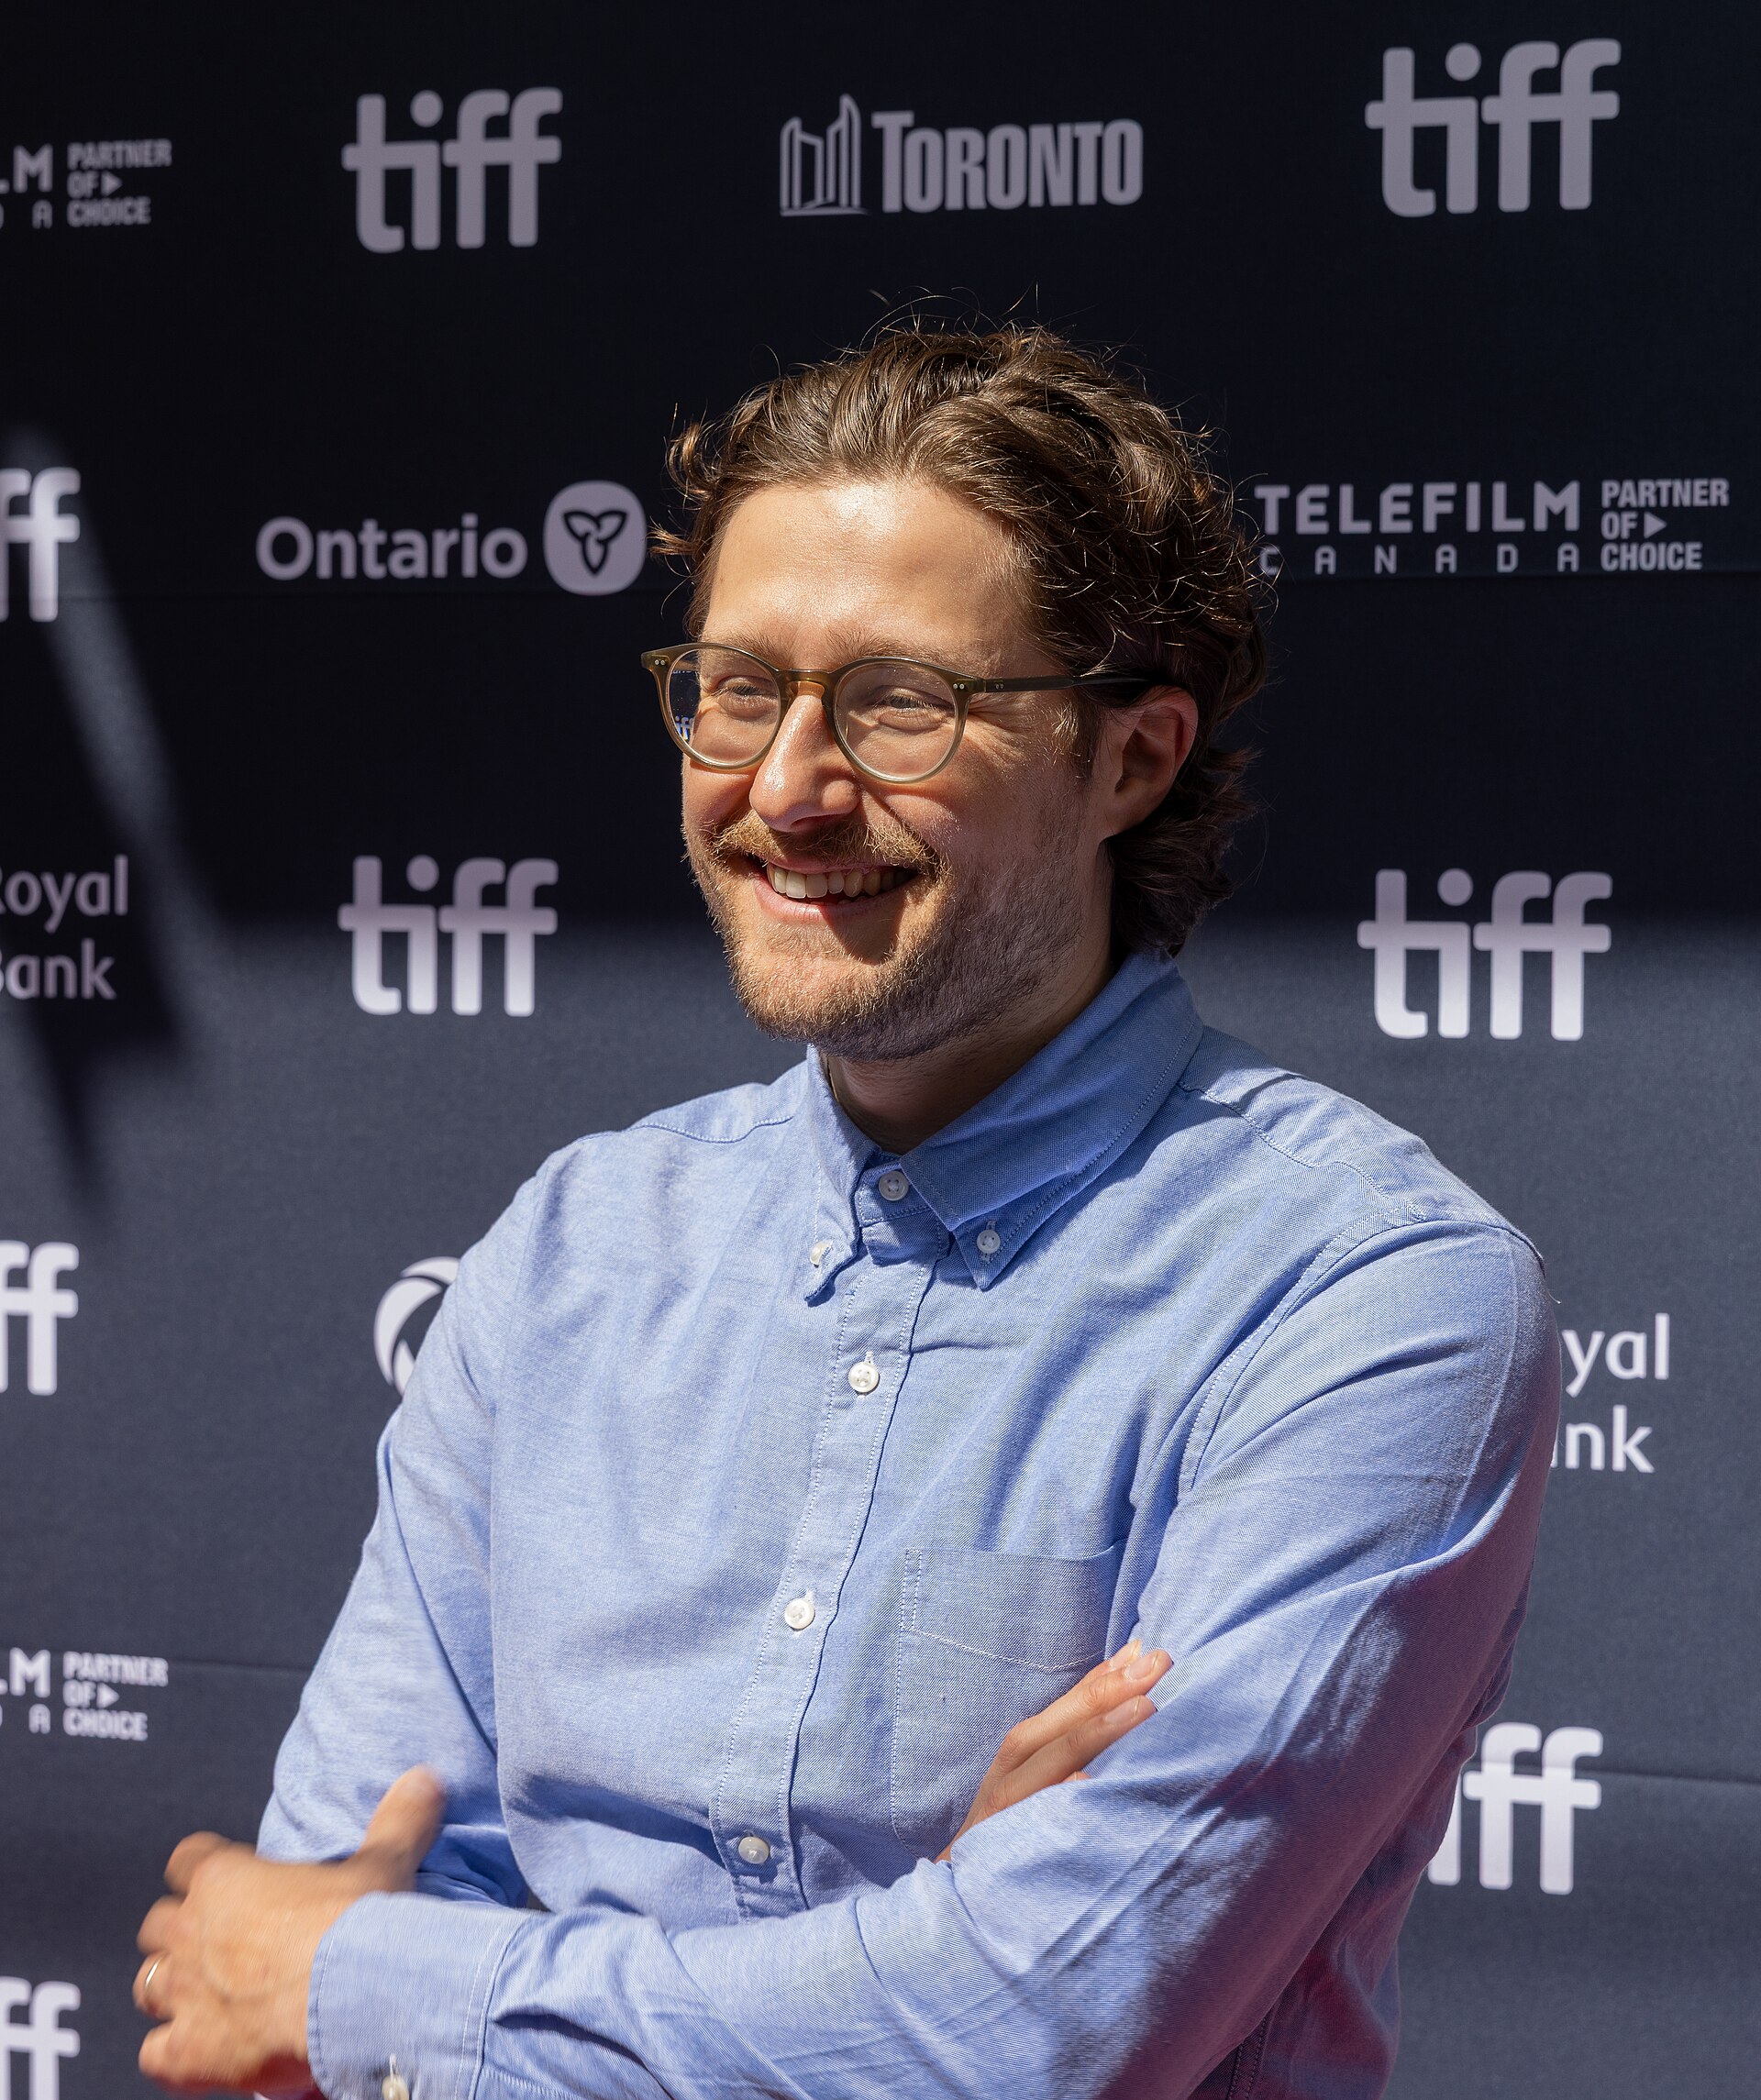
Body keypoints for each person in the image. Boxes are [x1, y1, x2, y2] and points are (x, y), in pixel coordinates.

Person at [133, 326, 1558, 2100]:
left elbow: (1027, 2035)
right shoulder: (576, 1250)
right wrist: (917, 1937)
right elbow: (325, 1946)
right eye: (737, 688)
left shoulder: (1368, 1296)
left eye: (902, 702)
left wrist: (394, 1995)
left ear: (1131, 758)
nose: (789, 788)